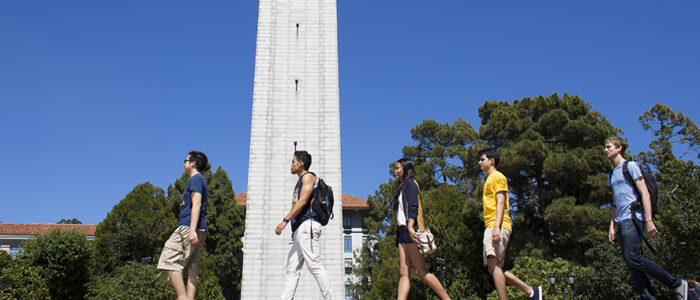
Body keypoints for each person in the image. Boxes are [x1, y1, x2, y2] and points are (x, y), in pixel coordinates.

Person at [605, 136, 688, 300]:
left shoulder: (631, 166)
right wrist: (612, 226)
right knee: (632, 265)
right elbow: (614, 203)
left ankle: (676, 283)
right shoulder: (611, 174)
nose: (605, 150)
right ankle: (648, 297)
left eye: (609, 147)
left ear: (619, 148)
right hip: (620, 222)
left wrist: (649, 220)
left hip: (633, 217)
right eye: (605, 147)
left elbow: (644, 193)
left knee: (633, 257)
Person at [478, 148, 542, 300]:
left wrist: (496, 227)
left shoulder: (498, 177)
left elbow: (501, 202)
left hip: (497, 224)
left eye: (482, 159)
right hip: (491, 225)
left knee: (493, 263)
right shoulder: (488, 180)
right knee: (493, 267)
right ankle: (531, 291)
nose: (479, 162)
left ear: (491, 161)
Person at [275, 150, 334, 300]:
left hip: (307, 226)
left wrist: (285, 220)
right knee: (292, 269)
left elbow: (303, 201)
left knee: (314, 264)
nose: (291, 165)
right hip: (298, 230)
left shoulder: (308, 177)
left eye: (293, 161)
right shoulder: (300, 180)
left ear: (301, 164)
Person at [393, 158, 450, 300]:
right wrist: (397, 242)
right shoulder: (401, 186)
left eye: (398, 168)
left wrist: (411, 226)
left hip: (411, 230)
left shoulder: (410, 184)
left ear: (405, 169)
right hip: (402, 233)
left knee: (420, 271)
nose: (395, 171)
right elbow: (400, 214)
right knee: (403, 272)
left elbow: (413, 206)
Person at [157, 151, 210, 300]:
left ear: (193, 163)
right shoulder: (200, 180)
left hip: (189, 226)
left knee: (169, 259)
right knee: (191, 268)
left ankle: (182, 297)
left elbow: (196, 204)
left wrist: (192, 230)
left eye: (186, 160)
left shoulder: (196, 179)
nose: (184, 164)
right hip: (200, 228)